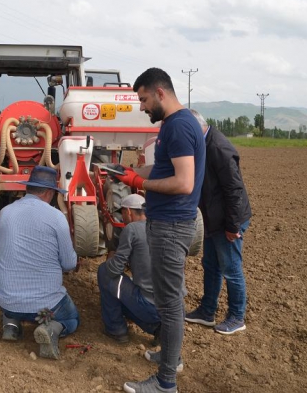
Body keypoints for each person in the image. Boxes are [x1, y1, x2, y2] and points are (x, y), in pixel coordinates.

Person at [117, 68, 205, 393]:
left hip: (171, 226)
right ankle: (171, 357)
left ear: (160, 92)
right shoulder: (175, 124)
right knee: (170, 301)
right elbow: (166, 168)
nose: (141, 107)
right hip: (167, 222)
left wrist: (140, 183)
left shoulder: (179, 126)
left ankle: (166, 382)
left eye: (143, 100)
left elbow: (183, 182)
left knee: (168, 305)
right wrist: (131, 173)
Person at [0, 166, 79, 360]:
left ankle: (11, 325)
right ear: (49, 193)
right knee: (72, 318)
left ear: (28, 188)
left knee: (14, 301)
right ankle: (51, 328)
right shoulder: (56, 217)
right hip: (45, 308)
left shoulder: (5, 212)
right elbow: (69, 264)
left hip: (7, 301)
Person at [185, 110, 252, 335]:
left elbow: (234, 190)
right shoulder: (203, 145)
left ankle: (236, 317)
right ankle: (207, 312)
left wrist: (232, 227)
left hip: (228, 221)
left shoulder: (218, 148)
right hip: (214, 218)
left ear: (196, 128)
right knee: (211, 266)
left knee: (231, 269)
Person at [98, 194, 163, 347]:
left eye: (123, 214)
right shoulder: (161, 225)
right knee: (129, 289)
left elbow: (114, 270)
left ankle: (116, 329)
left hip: (150, 305)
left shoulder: (132, 229)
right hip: (172, 306)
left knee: (104, 272)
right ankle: (158, 328)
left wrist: (113, 254)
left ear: (128, 212)